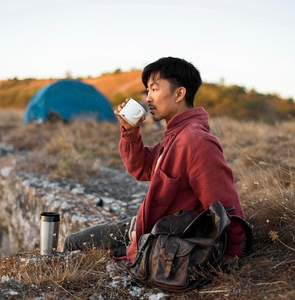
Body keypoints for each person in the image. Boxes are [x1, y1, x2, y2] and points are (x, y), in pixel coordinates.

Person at [64, 57, 246, 268]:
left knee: (72, 243)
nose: (148, 98)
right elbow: (140, 168)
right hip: (148, 228)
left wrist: (232, 253)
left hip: (165, 239)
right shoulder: (175, 136)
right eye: (147, 91)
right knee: (76, 241)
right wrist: (131, 132)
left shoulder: (197, 140)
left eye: (154, 89)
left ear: (179, 94)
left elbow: (223, 203)